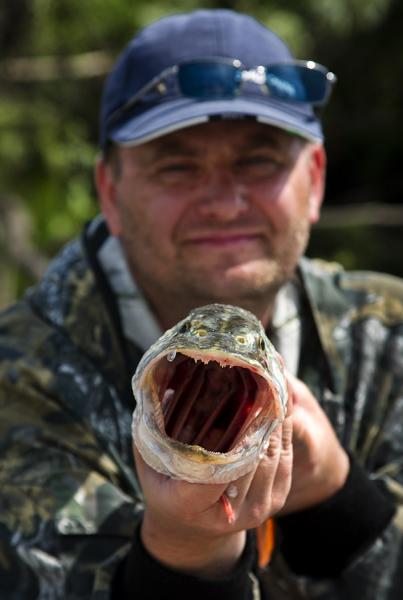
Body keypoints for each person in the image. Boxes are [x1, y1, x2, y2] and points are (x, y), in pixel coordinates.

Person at [0, 8, 402, 600]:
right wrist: (186, 549)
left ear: (314, 180)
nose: (222, 201)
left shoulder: (390, 335)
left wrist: (341, 503)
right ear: (109, 192)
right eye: (177, 166)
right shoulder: (16, 378)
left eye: (259, 161)